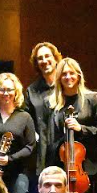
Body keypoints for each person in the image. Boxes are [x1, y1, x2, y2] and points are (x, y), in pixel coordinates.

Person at [45, 57, 97, 193]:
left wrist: (81, 129)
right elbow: (50, 135)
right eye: (64, 74)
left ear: (79, 75)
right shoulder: (52, 103)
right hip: (61, 161)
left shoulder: (91, 99)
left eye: (72, 73)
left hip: (85, 165)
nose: (68, 77)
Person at [25, 42, 62, 172]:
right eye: (40, 58)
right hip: (42, 151)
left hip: (64, 149)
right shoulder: (32, 90)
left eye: (48, 56)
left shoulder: (66, 85)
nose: (44, 61)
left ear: (56, 59)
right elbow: (27, 119)